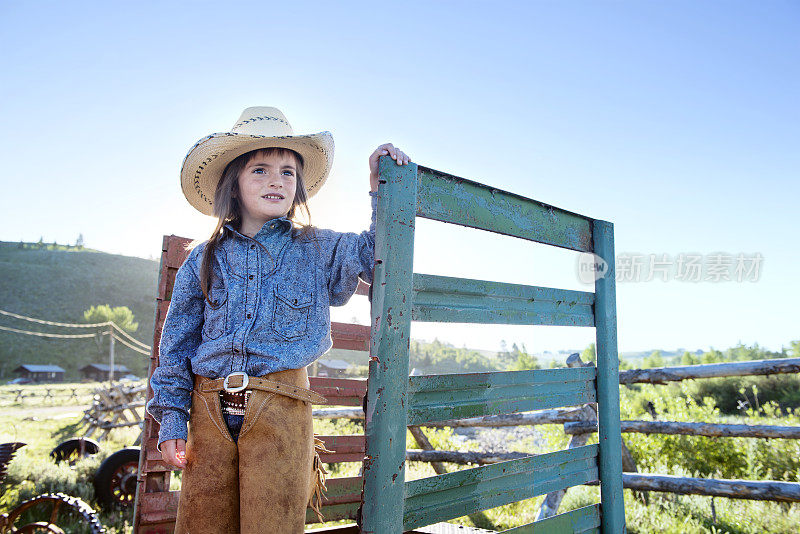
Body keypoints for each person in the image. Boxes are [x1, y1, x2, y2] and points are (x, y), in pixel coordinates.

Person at [145, 106, 411, 533]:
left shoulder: (317, 248)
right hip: (208, 410)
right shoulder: (203, 259)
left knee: (273, 524)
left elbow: (375, 253)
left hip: (282, 408)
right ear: (232, 185)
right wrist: (173, 419)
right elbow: (175, 346)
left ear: (299, 188)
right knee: (202, 523)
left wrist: (381, 188)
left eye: (289, 172)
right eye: (261, 170)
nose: (277, 180)